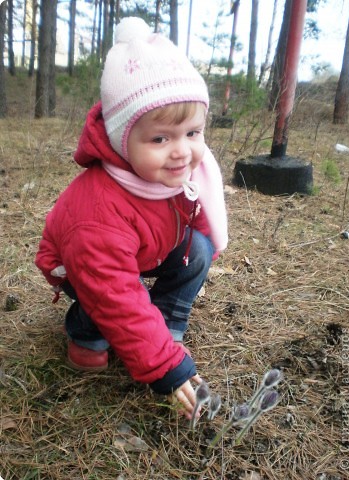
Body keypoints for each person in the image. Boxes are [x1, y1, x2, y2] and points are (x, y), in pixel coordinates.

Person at [35, 17, 228, 419]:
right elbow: (115, 293)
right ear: (123, 141)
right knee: (103, 302)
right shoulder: (98, 213)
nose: (182, 152)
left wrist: (164, 347)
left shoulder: (171, 174)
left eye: (193, 133)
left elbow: (193, 212)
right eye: (160, 138)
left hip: (144, 246)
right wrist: (168, 370)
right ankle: (85, 333)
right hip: (81, 265)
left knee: (200, 248)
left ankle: (164, 325)